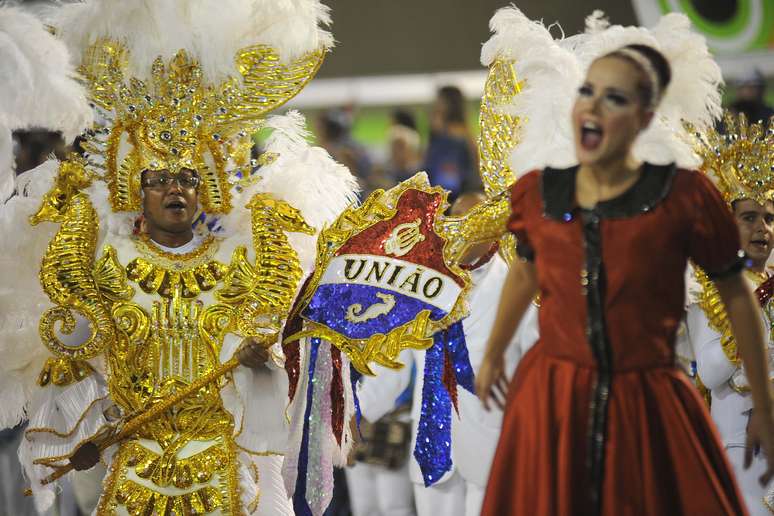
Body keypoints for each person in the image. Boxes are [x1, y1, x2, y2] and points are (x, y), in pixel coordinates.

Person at [0, 1, 357, 515]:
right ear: (134, 189)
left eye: (188, 179)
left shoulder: (241, 261)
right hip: (132, 464)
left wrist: (259, 361)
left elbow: (266, 349)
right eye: (158, 180)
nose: (175, 189)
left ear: (206, 189)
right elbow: (77, 351)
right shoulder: (108, 262)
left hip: (220, 465)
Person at [476, 29, 774, 516]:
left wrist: (763, 403)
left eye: (614, 98)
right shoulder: (538, 192)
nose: (592, 107)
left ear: (644, 118)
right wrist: (492, 355)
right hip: (551, 398)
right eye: (587, 92)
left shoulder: (684, 196)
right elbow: (526, 271)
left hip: (647, 401)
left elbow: (737, 296)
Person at [356, 192, 539, 516]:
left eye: (474, 223)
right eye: (457, 222)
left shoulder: (517, 286)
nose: (463, 231)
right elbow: (397, 361)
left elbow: (535, 366)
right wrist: (357, 414)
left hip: (492, 445)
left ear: (495, 229)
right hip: (430, 444)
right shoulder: (426, 284)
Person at [679, 114, 774, 515]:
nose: (763, 228)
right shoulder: (708, 290)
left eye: (770, 217)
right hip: (740, 449)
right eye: (749, 217)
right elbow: (713, 370)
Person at [423, 87, 480, 200]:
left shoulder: (458, 133)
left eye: (440, 100)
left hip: (455, 192)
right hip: (442, 190)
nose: (436, 105)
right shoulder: (463, 132)